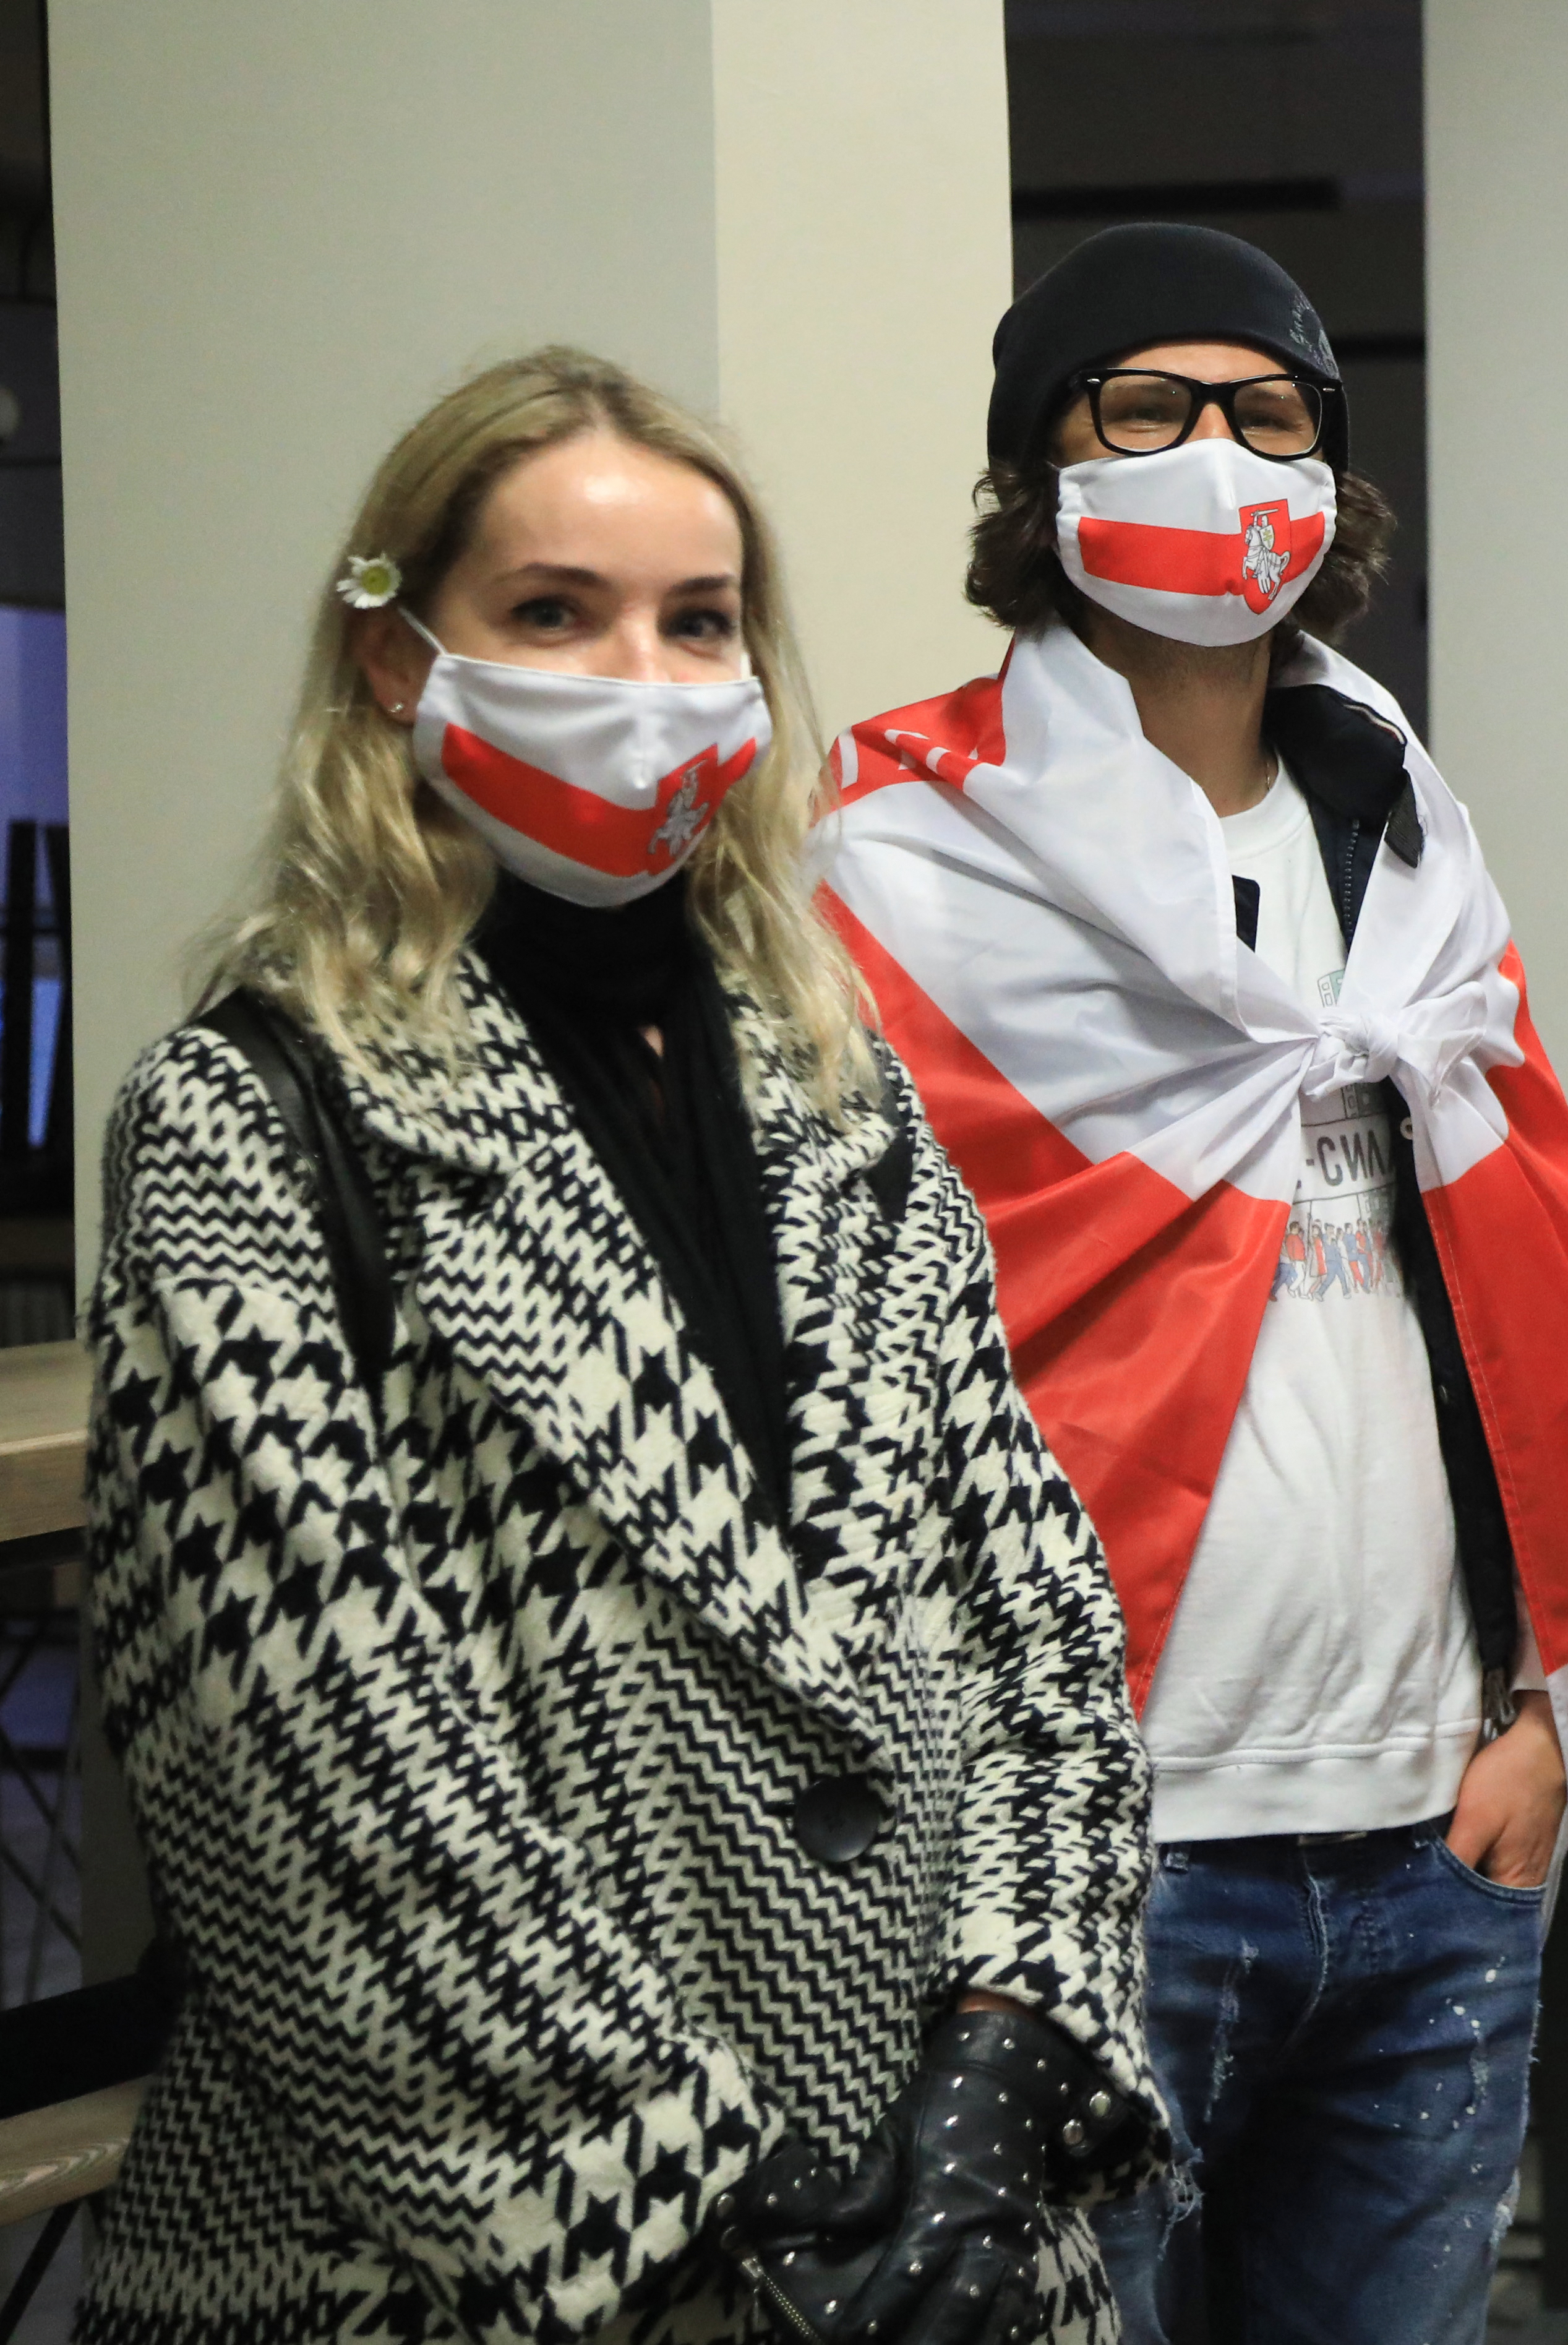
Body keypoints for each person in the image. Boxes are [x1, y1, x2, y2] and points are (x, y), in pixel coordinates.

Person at [80, 349, 1160, 2343]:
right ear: (401, 661)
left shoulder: (838, 1087)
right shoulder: (256, 1112)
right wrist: (700, 2244)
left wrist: (1001, 2073)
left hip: (949, 2240)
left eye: (700, 623)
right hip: (475, 2264)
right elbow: (310, 1775)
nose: (644, 680)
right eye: (554, 614)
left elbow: (1036, 1613)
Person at [810, 226, 1568, 2345]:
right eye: (1146, 408)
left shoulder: (1416, 849)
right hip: (1103, 1846)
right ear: (1039, 472)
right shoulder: (897, 856)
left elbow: (1535, 1292)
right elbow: (827, 1369)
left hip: (1436, 1833)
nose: (1215, 454)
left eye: (1268, 416)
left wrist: (1540, 1712)